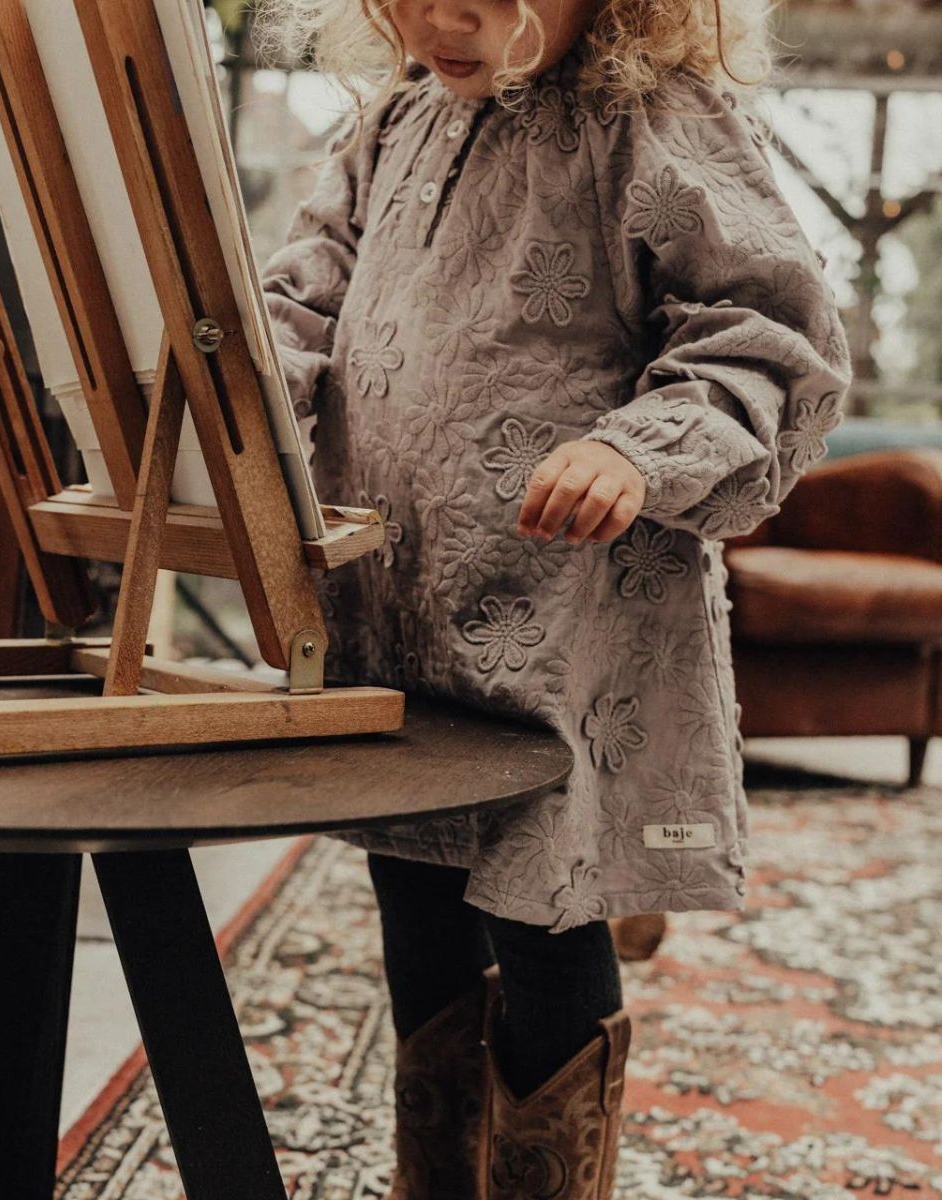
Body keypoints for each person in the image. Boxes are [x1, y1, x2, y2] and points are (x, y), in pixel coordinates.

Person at [254, 0, 851, 1193]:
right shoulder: (395, 127)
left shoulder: (655, 120)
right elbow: (301, 295)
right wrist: (228, 391)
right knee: (414, 894)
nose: (444, 15)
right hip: (398, 609)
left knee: (543, 914)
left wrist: (639, 448)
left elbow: (769, 329)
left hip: (561, 629)